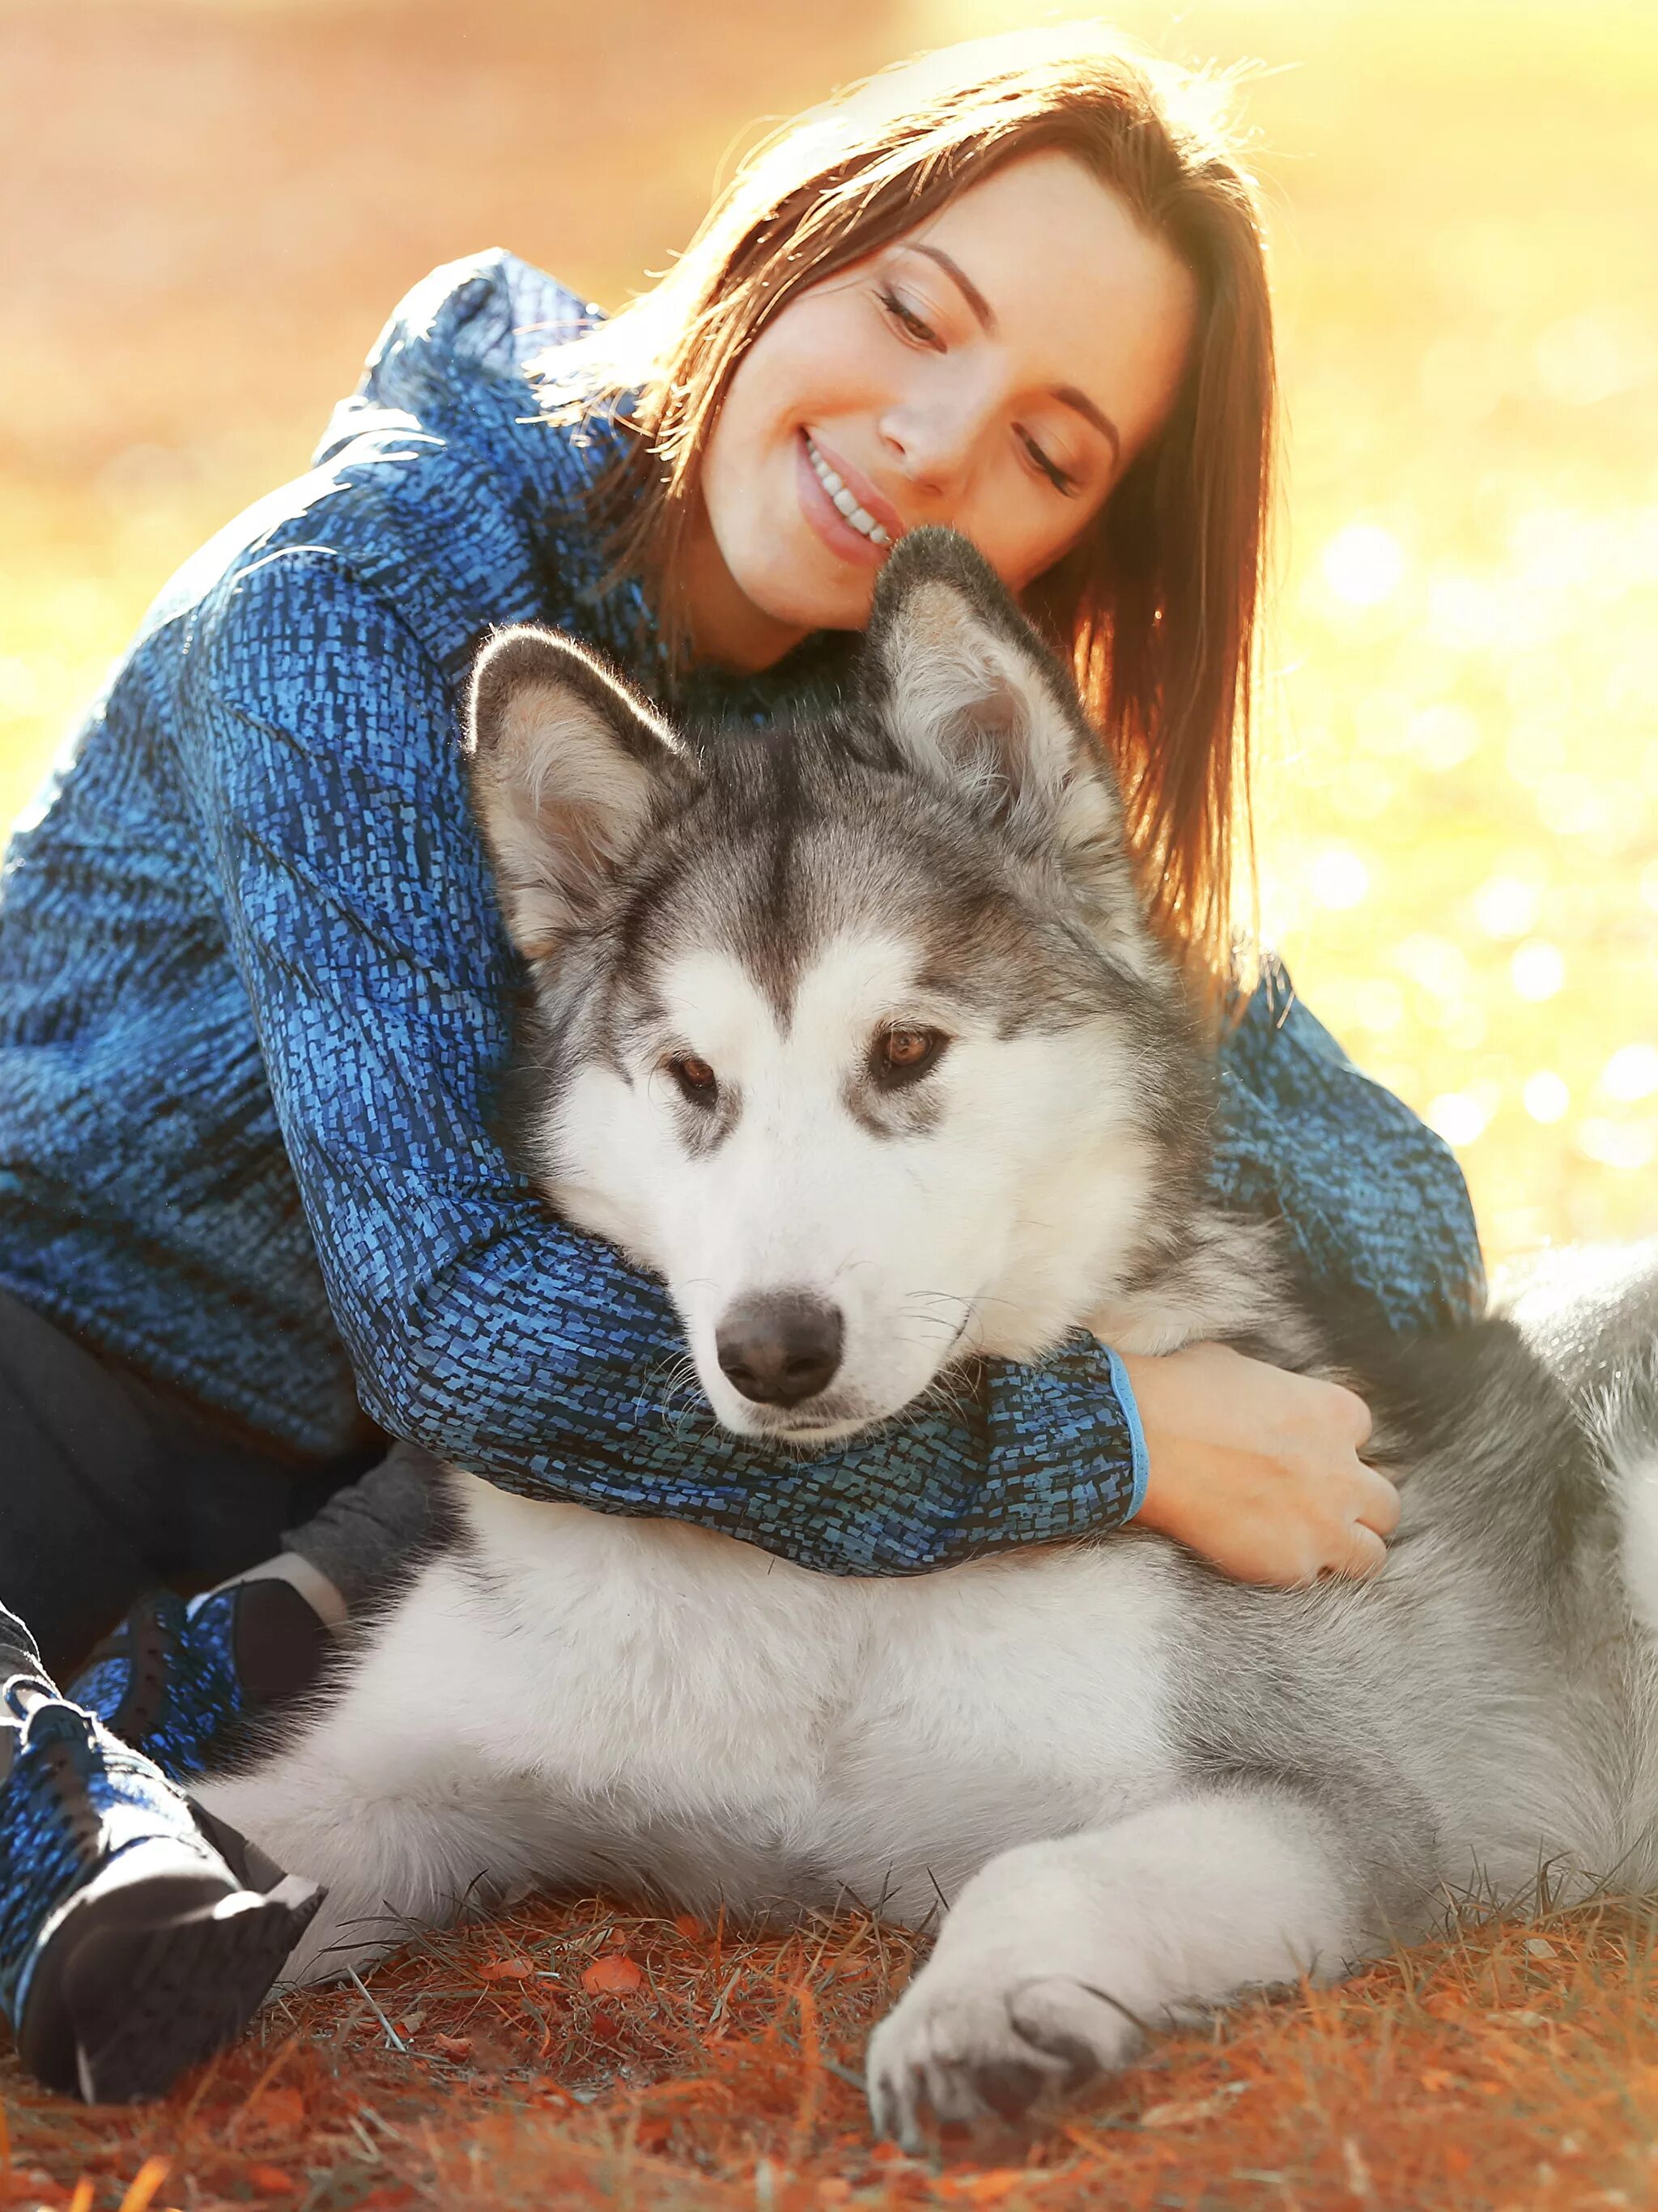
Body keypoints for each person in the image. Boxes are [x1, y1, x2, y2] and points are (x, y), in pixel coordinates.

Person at [0, 28, 1480, 2099]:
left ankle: (242, 1650)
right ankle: (68, 1842)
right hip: (60, 1353)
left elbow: (1409, 1226)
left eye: (1051, 452)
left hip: (423, 1480)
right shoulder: (352, 607)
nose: (936, 443)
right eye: (914, 311)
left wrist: (1105, 965)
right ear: (794, 238)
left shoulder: (877, 738)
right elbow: (455, 1317)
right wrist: (1112, 1439)